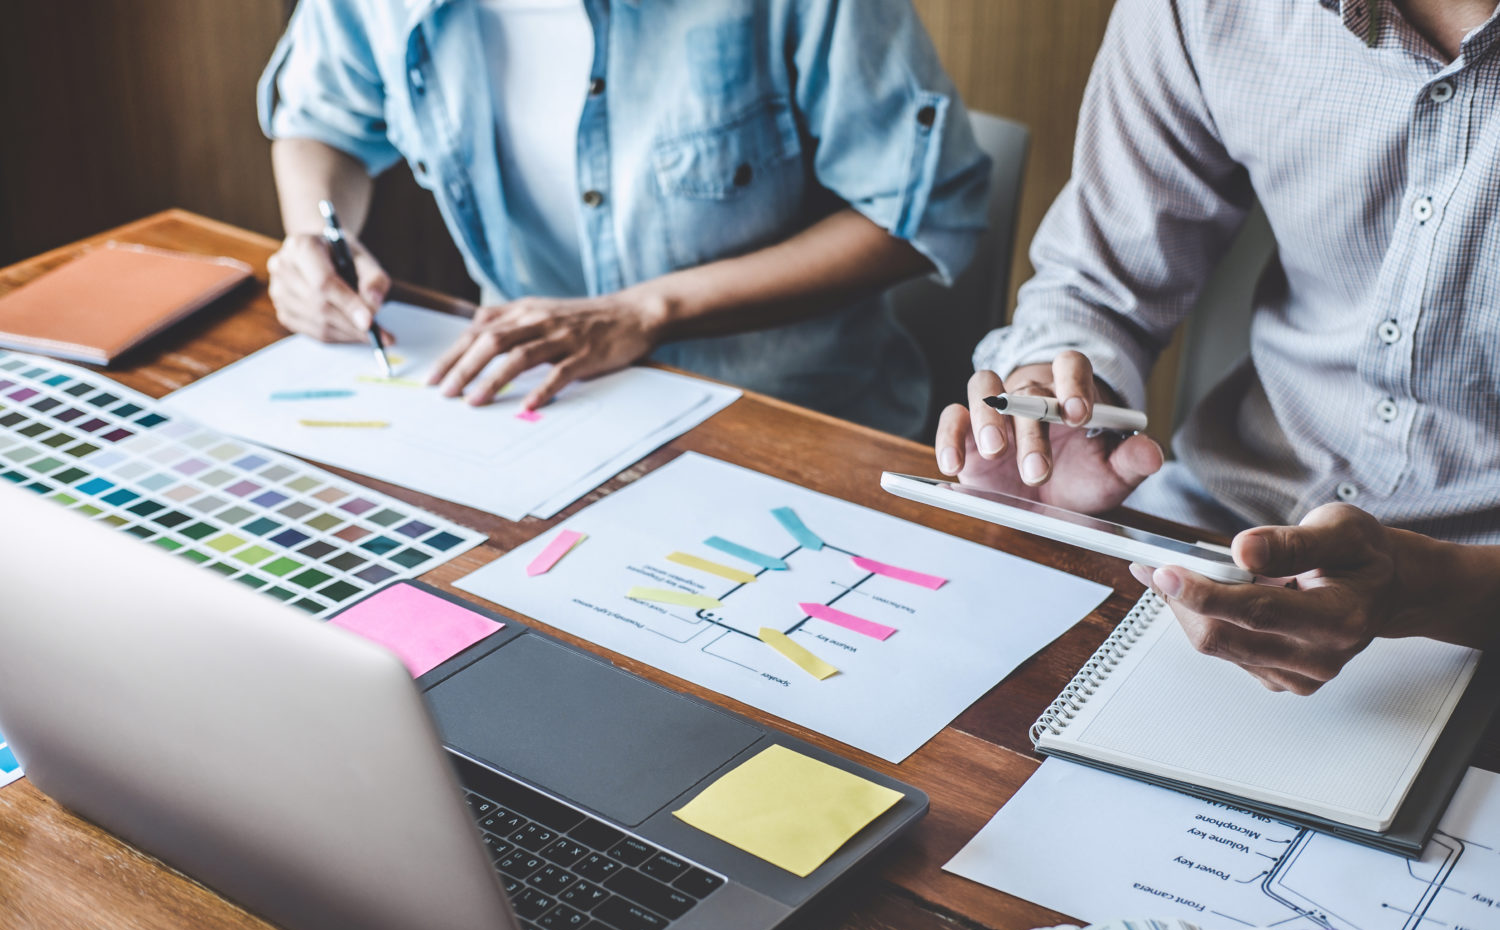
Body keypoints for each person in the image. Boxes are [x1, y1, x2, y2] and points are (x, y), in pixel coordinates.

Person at [935, 0, 1500, 692]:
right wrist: (1057, 401)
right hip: (1210, 536)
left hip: (1475, 610)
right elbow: (1099, 280)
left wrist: (1422, 589)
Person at [256, 0, 990, 439]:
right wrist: (314, 236)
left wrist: (645, 312)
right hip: (529, 409)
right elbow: (322, 122)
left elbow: (919, 214)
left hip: (787, 423)